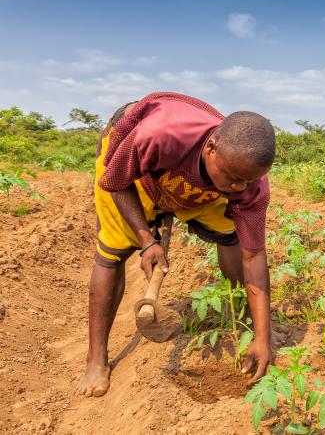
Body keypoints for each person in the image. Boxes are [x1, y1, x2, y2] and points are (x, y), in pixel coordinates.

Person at [76, 91, 275, 397]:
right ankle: (96, 357)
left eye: (248, 181)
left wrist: (264, 336)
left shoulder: (248, 184)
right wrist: (146, 240)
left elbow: (253, 259)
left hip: (191, 184)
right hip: (130, 171)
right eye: (234, 177)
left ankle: (247, 321)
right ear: (211, 147)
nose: (239, 188)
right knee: (112, 252)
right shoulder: (158, 135)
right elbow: (116, 182)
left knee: (232, 235)